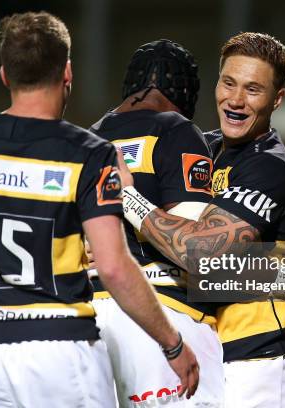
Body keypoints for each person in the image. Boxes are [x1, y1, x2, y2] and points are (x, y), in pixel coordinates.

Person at [0, 11, 199, 407]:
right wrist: (171, 344)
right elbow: (114, 267)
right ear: (67, 71)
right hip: (61, 351)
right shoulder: (88, 154)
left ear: (5, 75)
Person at [115, 32, 285, 407]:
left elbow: (201, 253)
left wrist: (127, 198)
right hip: (210, 350)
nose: (236, 100)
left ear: (277, 99)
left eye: (253, 90)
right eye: (229, 83)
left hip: (260, 358)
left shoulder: (270, 165)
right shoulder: (205, 148)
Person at [88, 39, 224, 407]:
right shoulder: (176, 130)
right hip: (160, 315)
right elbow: (195, 251)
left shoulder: (85, 140)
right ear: (185, 90)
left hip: (85, 323)